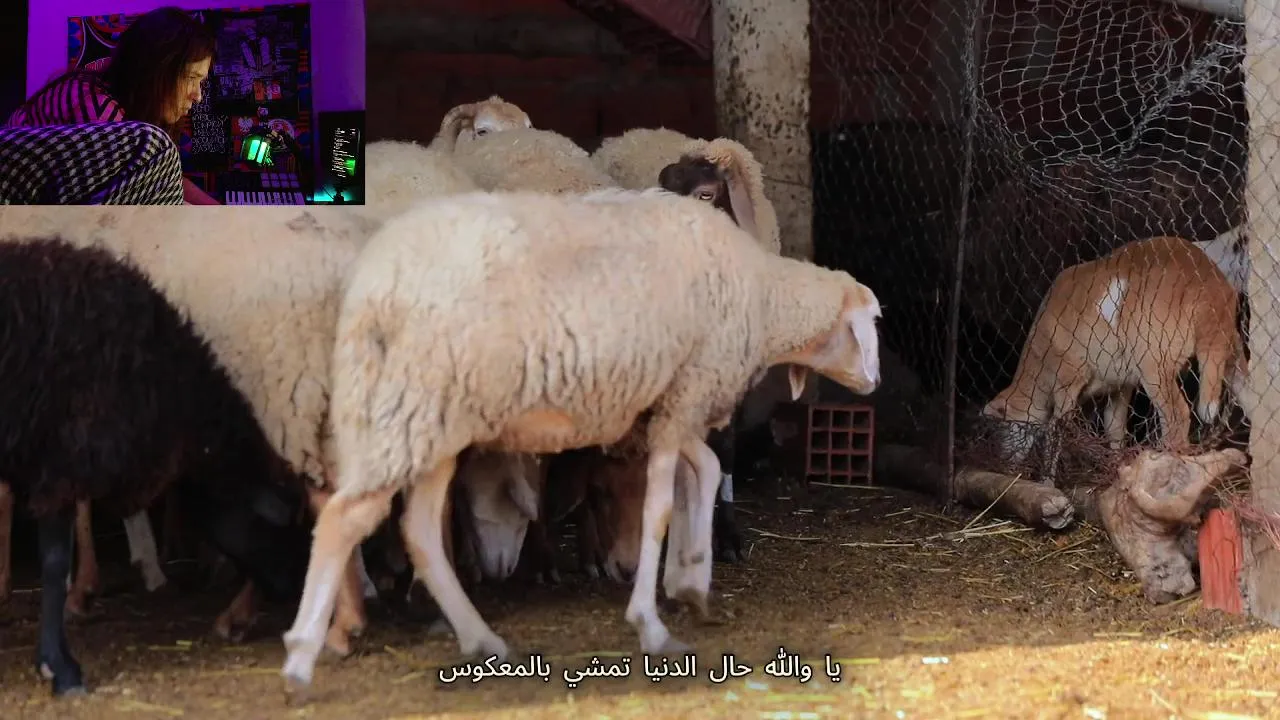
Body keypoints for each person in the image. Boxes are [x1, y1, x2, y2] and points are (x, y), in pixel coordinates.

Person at [6, 6, 221, 205]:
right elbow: (133, 208)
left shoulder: (114, 105)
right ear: (154, 70)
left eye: (200, 82)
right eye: (190, 78)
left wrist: (220, 211)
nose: (197, 96)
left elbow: (167, 181)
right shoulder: (97, 108)